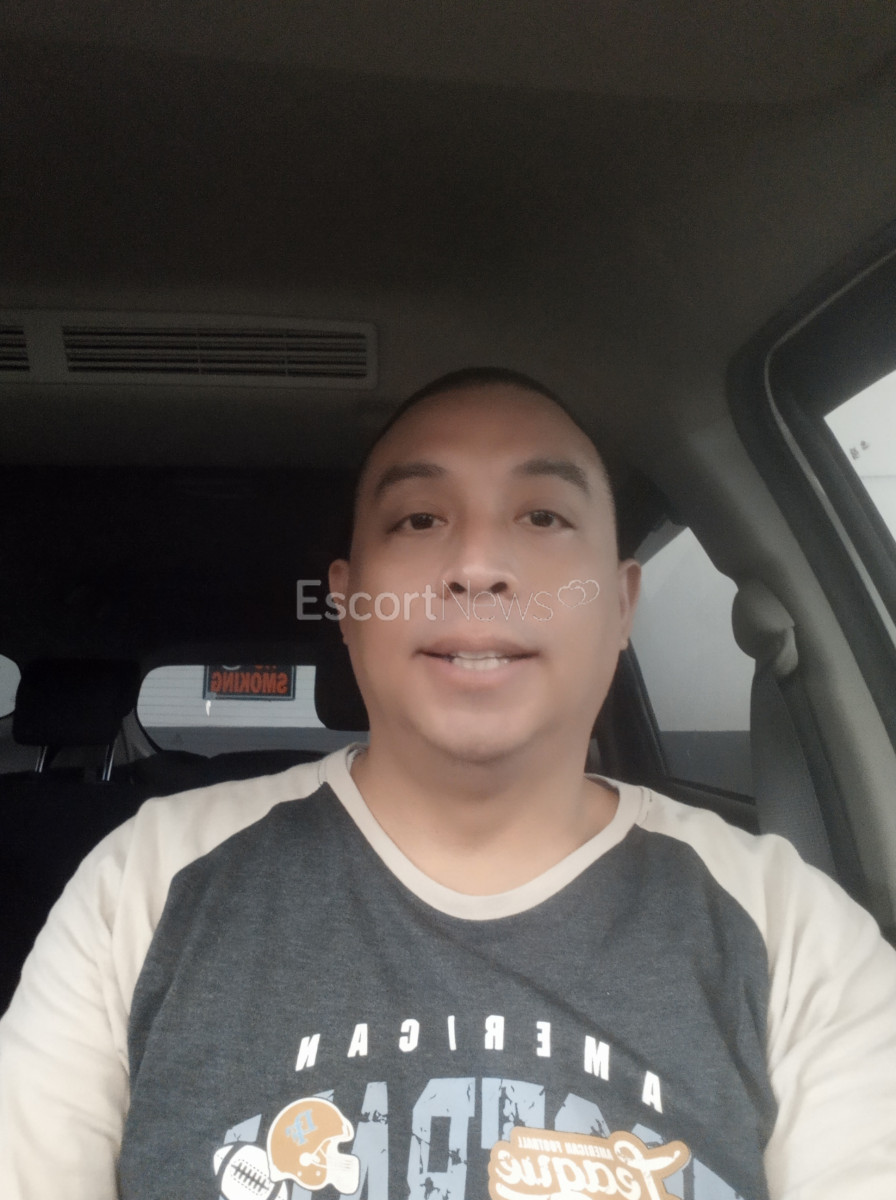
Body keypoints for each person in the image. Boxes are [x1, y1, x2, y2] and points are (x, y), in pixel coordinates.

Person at [1, 368, 895, 1200]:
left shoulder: (793, 934)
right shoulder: (145, 883)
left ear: (621, 605)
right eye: (419, 520)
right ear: (348, 603)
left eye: (542, 516)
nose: (476, 564)